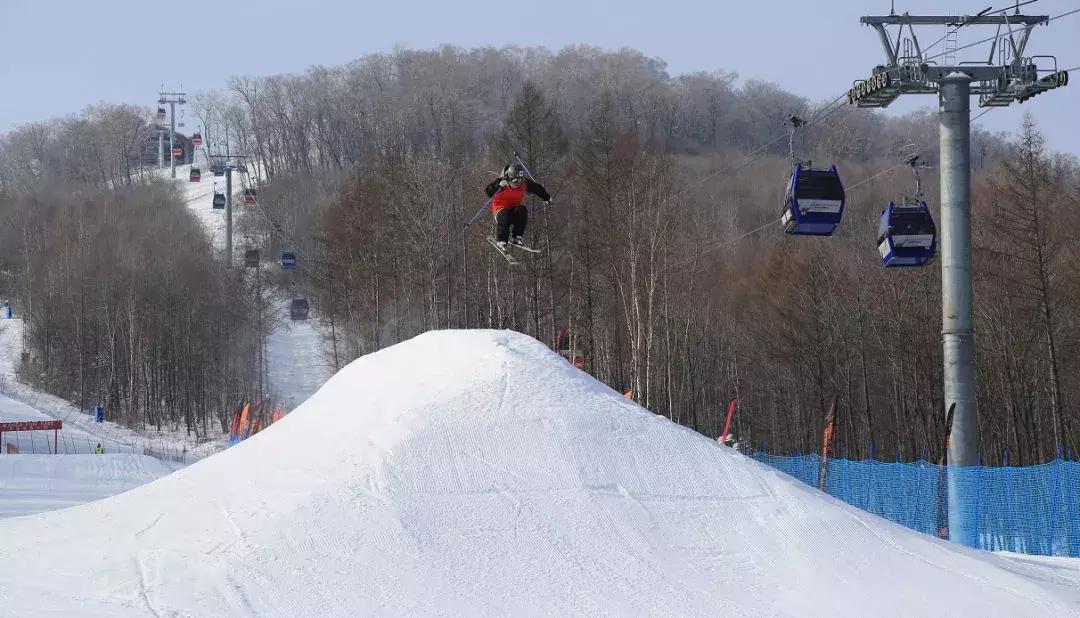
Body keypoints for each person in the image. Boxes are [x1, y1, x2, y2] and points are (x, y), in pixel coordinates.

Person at [484, 162, 551, 250]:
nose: (518, 183)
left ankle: (517, 236)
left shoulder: (524, 183)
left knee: (522, 210)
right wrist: (498, 186)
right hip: (500, 210)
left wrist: (546, 197)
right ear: (509, 178)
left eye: (520, 180)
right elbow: (488, 191)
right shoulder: (502, 182)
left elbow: (537, 188)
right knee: (505, 215)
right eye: (515, 181)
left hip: (514, 210)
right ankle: (501, 240)